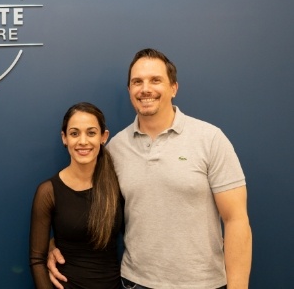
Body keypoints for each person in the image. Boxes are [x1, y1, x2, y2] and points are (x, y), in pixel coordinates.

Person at [48, 49, 252, 289]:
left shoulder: (209, 139)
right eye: (137, 82)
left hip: (203, 283)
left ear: (174, 88)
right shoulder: (115, 149)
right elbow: (89, 208)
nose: (145, 89)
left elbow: (236, 220)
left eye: (155, 80)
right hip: (136, 282)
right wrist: (54, 245)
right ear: (129, 91)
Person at [29, 102, 124, 289]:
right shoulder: (48, 191)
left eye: (91, 133)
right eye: (74, 133)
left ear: (104, 137)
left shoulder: (117, 185)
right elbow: (37, 259)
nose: (82, 141)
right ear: (64, 138)